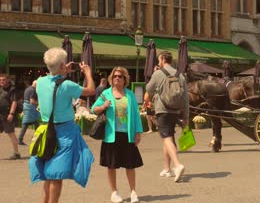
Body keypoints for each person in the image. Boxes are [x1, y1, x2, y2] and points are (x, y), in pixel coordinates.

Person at [28, 47, 95, 203]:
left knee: (47, 174)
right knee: (56, 176)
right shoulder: (67, 85)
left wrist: (62, 71)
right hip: (64, 133)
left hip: (44, 130)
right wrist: (88, 73)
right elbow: (91, 90)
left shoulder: (40, 82)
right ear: (61, 66)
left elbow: (51, 81)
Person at [92, 67, 143, 203]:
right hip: (111, 135)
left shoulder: (130, 95)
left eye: (120, 76)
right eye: (115, 76)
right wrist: (103, 106)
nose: (117, 78)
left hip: (128, 135)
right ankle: (114, 192)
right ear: (111, 79)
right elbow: (94, 109)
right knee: (111, 165)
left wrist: (138, 132)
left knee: (130, 165)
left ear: (125, 79)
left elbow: (136, 115)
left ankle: (133, 192)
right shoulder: (106, 94)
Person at [146, 51, 188, 182]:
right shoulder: (180, 75)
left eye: (159, 59)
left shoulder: (158, 73)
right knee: (168, 137)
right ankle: (167, 169)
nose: (158, 62)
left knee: (166, 138)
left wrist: (155, 73)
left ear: (163, 59)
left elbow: (149, 89)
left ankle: (177, 165)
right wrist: (186, 117)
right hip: (175, 110)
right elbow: (186, 98)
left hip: (162, 109)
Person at [0, 74, 20, 159]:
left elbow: (14, 102)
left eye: (3, 80)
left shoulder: (12, 89)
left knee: (11, 134)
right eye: (0, 80)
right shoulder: (0, 89)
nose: (1, 81)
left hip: (7, 115)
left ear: (8, 80)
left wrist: (11, 114)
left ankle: (16, 153)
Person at [18, 80, 41, 146]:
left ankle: (20, 139)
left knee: (26, 124)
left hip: (26, 107)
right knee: (35, 123)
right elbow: (32, 101)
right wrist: (39, 103)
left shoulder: (28, 88)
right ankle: (38, 138)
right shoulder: (33, 90)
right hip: (30, 108)